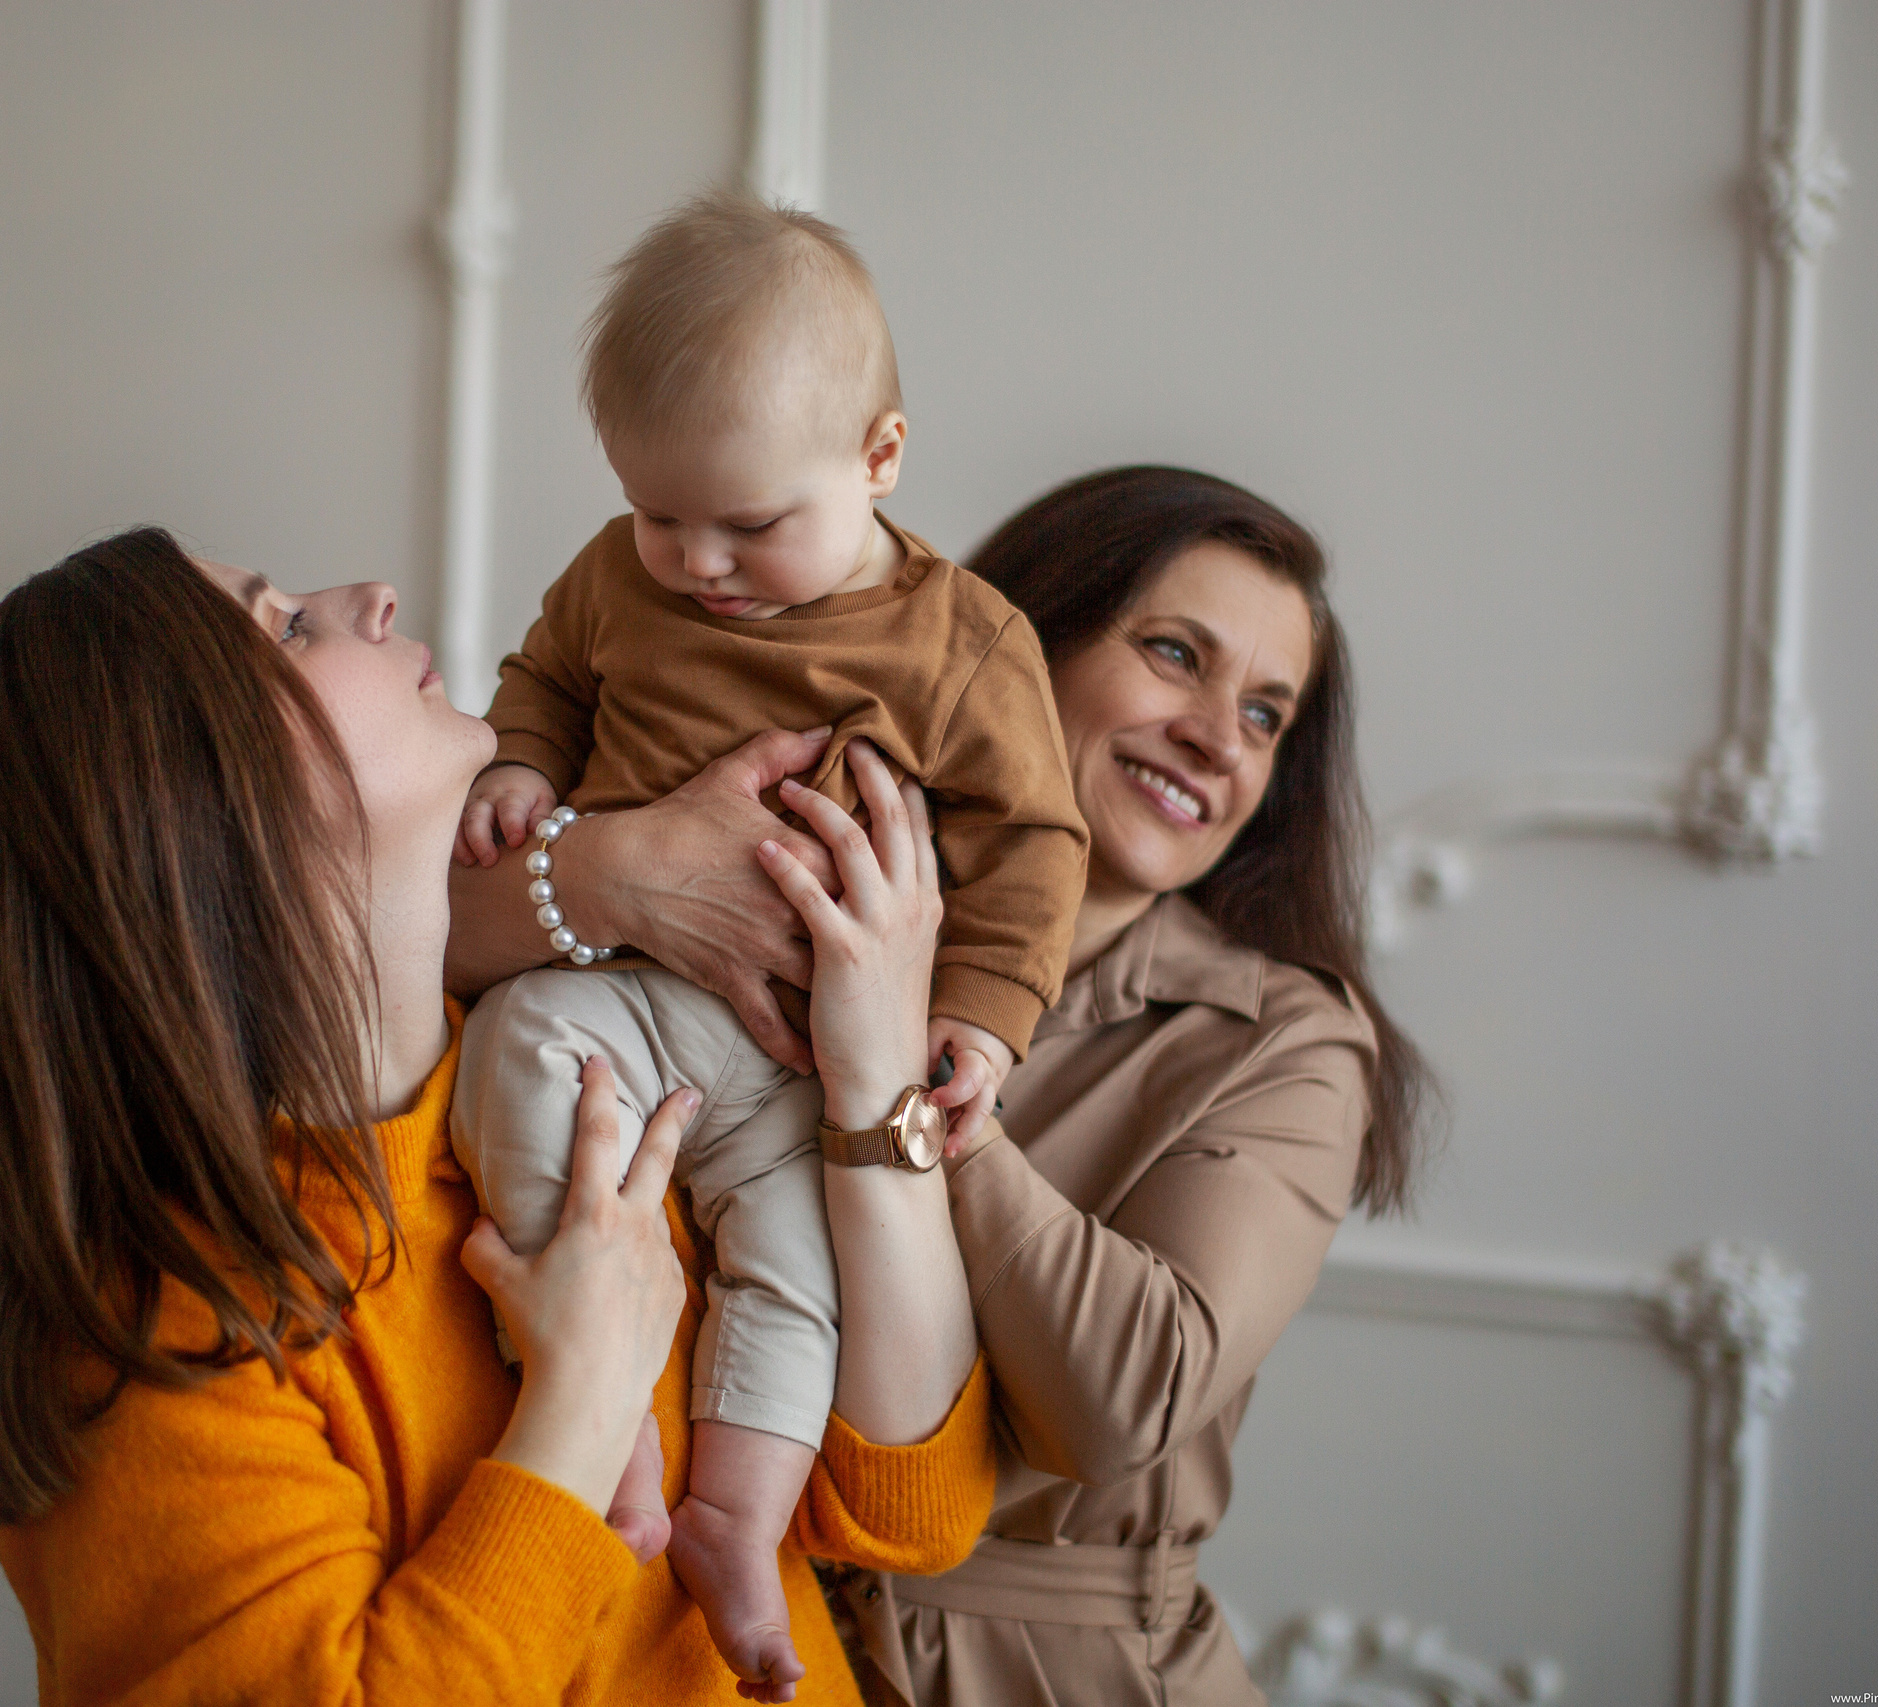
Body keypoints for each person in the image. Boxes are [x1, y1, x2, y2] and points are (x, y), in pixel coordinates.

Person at [0, 527, 995, 1707]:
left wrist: (875, 1064)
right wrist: (581, 1396)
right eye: (285, 627)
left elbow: (904, 1511)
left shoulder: (579, 1076)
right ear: (182, 817)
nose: (369, 595)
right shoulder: (159, 1341)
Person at [449, 467, 1434, 1705]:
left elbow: (1124, 1405)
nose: (1214, 736)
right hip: (718, 1631)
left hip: (1054, 1676)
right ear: (1013, 646)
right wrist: (609, 870)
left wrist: (896, 1065)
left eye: (1265, 715)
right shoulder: (783, 870)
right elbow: (407, 947)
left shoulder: (1281, 1040)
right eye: (1176, 654)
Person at [450, 190, 1088, 1695]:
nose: (698, 561)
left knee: (792, 1270)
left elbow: (1032, 841)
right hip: (614, 997)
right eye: (660, 514)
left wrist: (982, 1024)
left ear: (879, 456)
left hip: (804, 1061)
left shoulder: (961, 644)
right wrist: (518, 770)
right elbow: (543, 675)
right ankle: (604, 1418)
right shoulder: (620, 575)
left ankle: (733, 1512)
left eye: (748, 524)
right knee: (514, 1050)